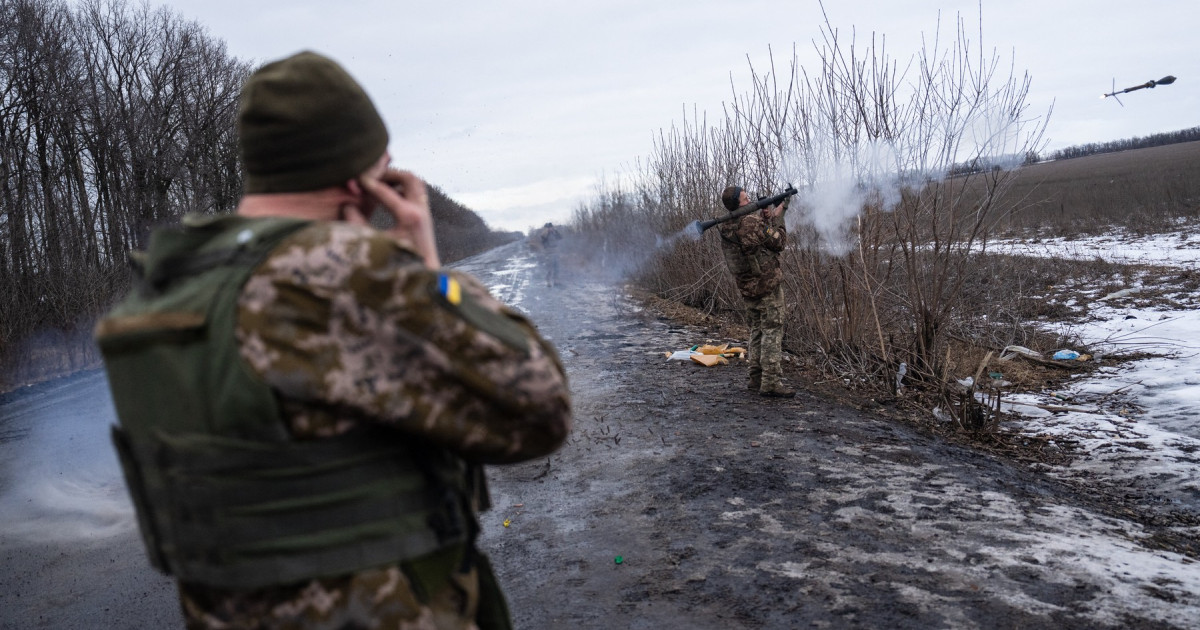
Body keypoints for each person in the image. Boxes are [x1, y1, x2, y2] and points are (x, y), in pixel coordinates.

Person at [95, 51, 571, 630]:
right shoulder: (345, 273)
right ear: (359, 180)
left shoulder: (163, 295)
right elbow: (540, 407)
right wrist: (428, 269)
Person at [717, 186, 795, 398]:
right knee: (772, 330)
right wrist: (781, 215)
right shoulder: (750, 222)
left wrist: (766, 218)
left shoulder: (727, 225)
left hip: (747, 286)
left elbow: (756, 242)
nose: (750, 200)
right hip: (766, 285)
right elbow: (778, 242)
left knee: (757, 331)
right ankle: (770, 383)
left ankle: (756, 378)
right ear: (738, 204)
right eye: (746, 199)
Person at [535, 222, 562, 287]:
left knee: (557, 267)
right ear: (546, 228)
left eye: (551, 227)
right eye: (549, 227)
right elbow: (543, 240)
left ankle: (556, 280)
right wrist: (546, 232)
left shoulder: (554, 233)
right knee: (550, 268)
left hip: (556, 252)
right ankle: (548, 281)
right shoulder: (545, 234)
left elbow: (560, 237)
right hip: (549, 253)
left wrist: (556, 231)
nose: (551, 228)